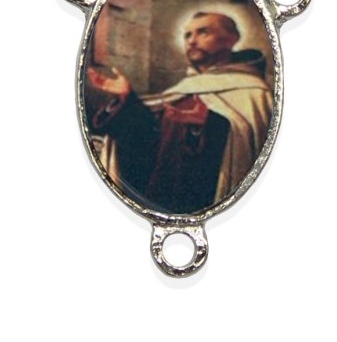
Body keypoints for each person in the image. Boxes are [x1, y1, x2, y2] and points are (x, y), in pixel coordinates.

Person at [87, 12, 273, 214]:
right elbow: (149, 139)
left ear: (231, 39)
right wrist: (127, 101)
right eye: (187, 35)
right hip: (169, 191)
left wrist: (208, 123)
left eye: (203, 32)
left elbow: (250, 149)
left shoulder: (254, 91)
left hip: (211, 198)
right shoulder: (185, 88)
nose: (192, 41)